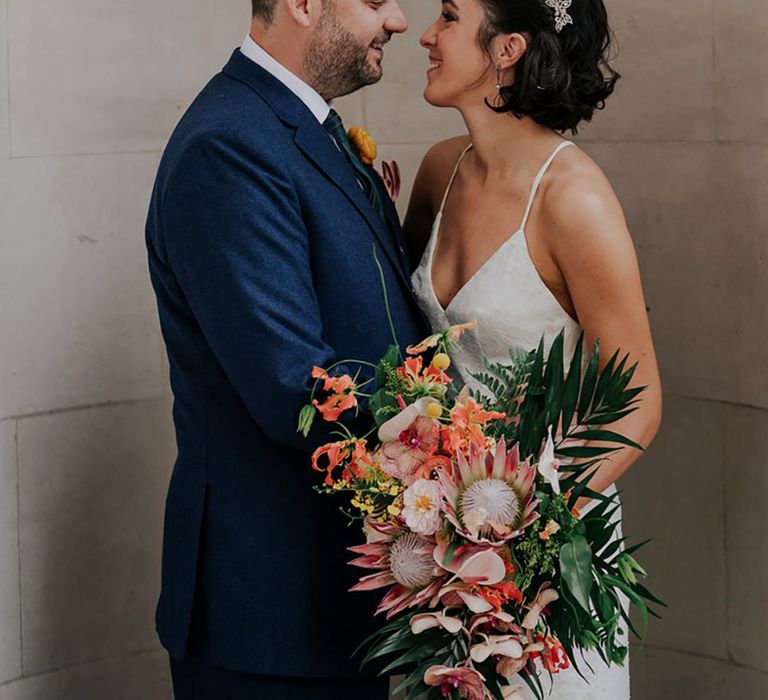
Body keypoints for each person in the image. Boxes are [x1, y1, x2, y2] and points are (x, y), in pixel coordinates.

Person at [145, 1, 426, 697]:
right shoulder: (229, 145)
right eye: (374, 1)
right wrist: (464, 459)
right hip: (270, 617)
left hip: (345, 603)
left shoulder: (306, 127)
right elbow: (293, 388)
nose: (396, 20)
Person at [405, 0, 663, 696]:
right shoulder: (438, 172)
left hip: (546, 547)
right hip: (443, 547)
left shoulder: (574, 199)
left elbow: (637, 406)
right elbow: (408, 349)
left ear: (507, 48)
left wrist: (519, 532)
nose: (426, 33)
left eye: (450, 16)